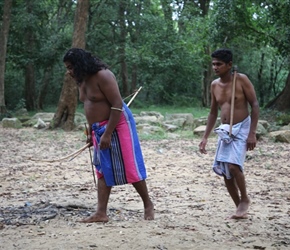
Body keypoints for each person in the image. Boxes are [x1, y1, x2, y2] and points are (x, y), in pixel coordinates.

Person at [63, 48, 154, 223]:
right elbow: (89, 106)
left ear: (80, 65)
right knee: (102, 168)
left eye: (71, 67)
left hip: (118, 123)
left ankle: (148, 204)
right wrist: (91, 132)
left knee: (129, 166)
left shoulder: (103, 76)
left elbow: (117, 103)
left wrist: (108, 133)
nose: (69, 72)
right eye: (67, 68)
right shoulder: (81, 80)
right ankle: (101, 213)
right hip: (98, 128)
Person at [199, 48, 259, 219]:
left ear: (229, 65)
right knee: (225, 170)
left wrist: (252, 133)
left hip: (242, 127)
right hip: (225, 130)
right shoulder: (214, 85)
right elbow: (212, 112)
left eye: (219, 64)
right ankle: (239, 207)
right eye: (213, 64)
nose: (215, 67)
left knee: (233, 165)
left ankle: (245, 199)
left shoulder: (241, 80)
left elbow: (254, 104)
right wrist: (205, 137)